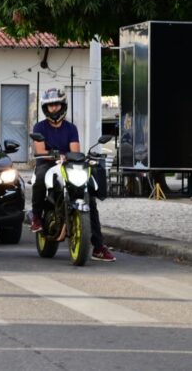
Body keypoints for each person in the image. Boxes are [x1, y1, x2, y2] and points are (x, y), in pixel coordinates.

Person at [30, 88, 116, 262]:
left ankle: (98, 247)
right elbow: (40, 151)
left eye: (56, 105)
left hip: (67, 164)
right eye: (50, 106)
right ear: (45, 108)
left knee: (89, 199)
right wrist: (55, 156)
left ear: (63, 106)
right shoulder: (40, 127)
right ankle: (36, 216)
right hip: (48, 163)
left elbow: (74, 150)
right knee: (39, 177)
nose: (54, 108)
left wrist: (72, 157)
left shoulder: (71, 128)